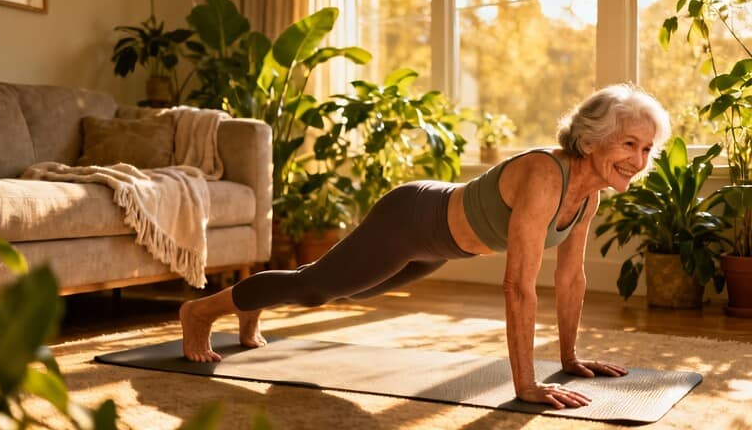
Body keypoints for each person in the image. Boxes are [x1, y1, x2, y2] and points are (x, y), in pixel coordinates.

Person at [179, 83, 671, 409]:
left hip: (441, 245)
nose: (639, 159)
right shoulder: (546, 174)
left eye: (647, 149)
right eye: (629, 144)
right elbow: (518, 287)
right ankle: (200, 313)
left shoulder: (587, 197)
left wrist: (568, 358)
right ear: (591, 141)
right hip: (412, 219)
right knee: (317, 288)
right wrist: (524, 385)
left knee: (342, 289)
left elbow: (571, 279)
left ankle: (252, 306)